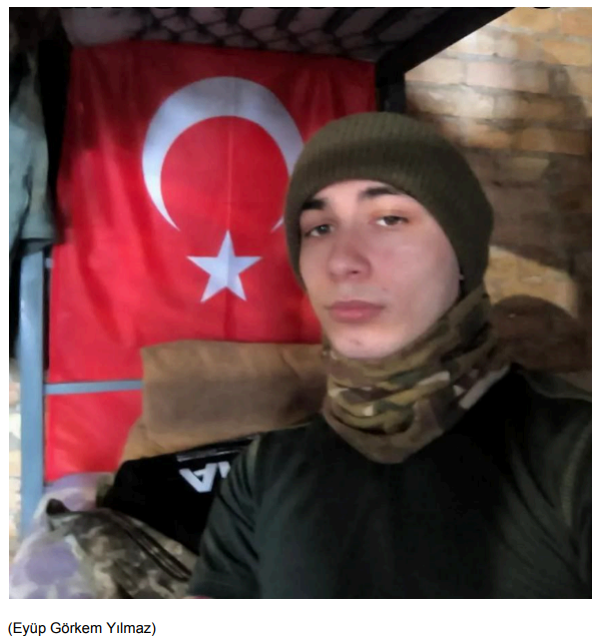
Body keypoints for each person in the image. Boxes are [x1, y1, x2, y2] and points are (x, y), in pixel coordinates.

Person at [187, 112, 591, 598]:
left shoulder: (577, 454)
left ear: (461, 254)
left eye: (390, 219)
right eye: (319, 228)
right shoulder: (264, 472)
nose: (342, 261)